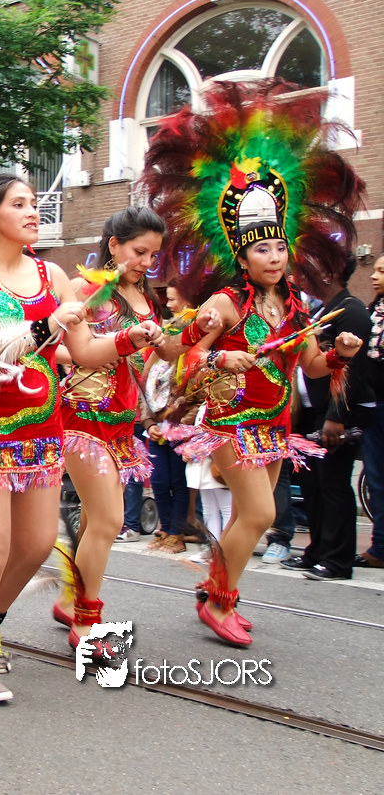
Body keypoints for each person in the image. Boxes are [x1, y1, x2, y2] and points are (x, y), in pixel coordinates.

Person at [0, 173, 162, 704]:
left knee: (35, 544)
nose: (34, 211)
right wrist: (44, 326)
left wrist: (127, 339)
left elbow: (84, 353)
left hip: (40, 424)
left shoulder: (52, 274)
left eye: (34, 202)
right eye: (19, 204)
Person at [148, 79, 364, 646]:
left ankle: (217, 593)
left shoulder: (294, 306)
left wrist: (339, 354)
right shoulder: (226, 303)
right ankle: (217, 600)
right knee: (263, 515)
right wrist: (221, 354)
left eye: (279, 248)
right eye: (262, 249)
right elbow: (182, 353)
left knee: (254, 517)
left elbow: (311, 366)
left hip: (275, 424)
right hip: (231, 424)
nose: (274, 257)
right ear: (242, 256)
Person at [55, 207, 164, 648]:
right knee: (109, 519)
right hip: (83, 416)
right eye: (139, 251)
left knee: (93, 522)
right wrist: (109, 348)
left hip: (122, 422)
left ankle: (70, 599)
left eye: (153, 255)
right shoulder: (83, 291)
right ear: (114, 245)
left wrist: (194, 335)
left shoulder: (145, 298)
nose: (145, 262)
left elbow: (156, 356)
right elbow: (60, 348)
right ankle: (85, 621)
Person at [282, 254, 373, 580]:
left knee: (333, 485)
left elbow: (352, 368)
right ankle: (316, 551)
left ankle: (337, 560)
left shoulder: (351, 311)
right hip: (309, 412)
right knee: (313, 485)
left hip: (333, 413)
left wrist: (337, 415)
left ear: (330, 272)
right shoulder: (320, 310)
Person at [143, 280, 195, 556]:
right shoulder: (156, 352)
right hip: (156, 429)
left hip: (180, 428)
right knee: (160, 481)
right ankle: (165, 529)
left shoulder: (193, 351)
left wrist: (178, 423)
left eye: (174, 299)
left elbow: (198, 393)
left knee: (179, 482)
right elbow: (143, 390)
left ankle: (177, 533)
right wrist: (150, 423)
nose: (169, 305)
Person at [356, 255, 384, 570]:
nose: (374, 276)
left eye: (382, 271)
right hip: (375, 406)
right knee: (376, 479)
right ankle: (380, 547)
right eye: (374, 270)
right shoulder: (373, 312)